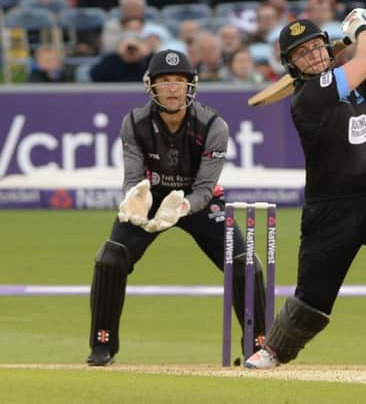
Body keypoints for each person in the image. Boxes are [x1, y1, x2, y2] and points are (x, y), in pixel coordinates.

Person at [244, 3, 366, 369]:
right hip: (329, 212)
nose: (314, 55)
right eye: (302, 53)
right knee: (312, 304)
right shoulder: (310, 96)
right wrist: (360, 28)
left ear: (327, 46)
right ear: (292, 65)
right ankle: (274, 349)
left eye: (317, 46)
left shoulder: (350, 85)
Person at [86, 49, 267, 366]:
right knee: (111, 256)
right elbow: (132, 178)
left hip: (197, 203)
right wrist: (136, 199)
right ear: (151, 86)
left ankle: (259, 345)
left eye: (179, 81)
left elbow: (205, 188)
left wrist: (182, 206)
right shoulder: (134, 122)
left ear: (190, 85)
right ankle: (103, 344)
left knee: (244, 262)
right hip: (152, 200)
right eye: (164, 81)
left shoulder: (213, 126)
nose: (172, 88)